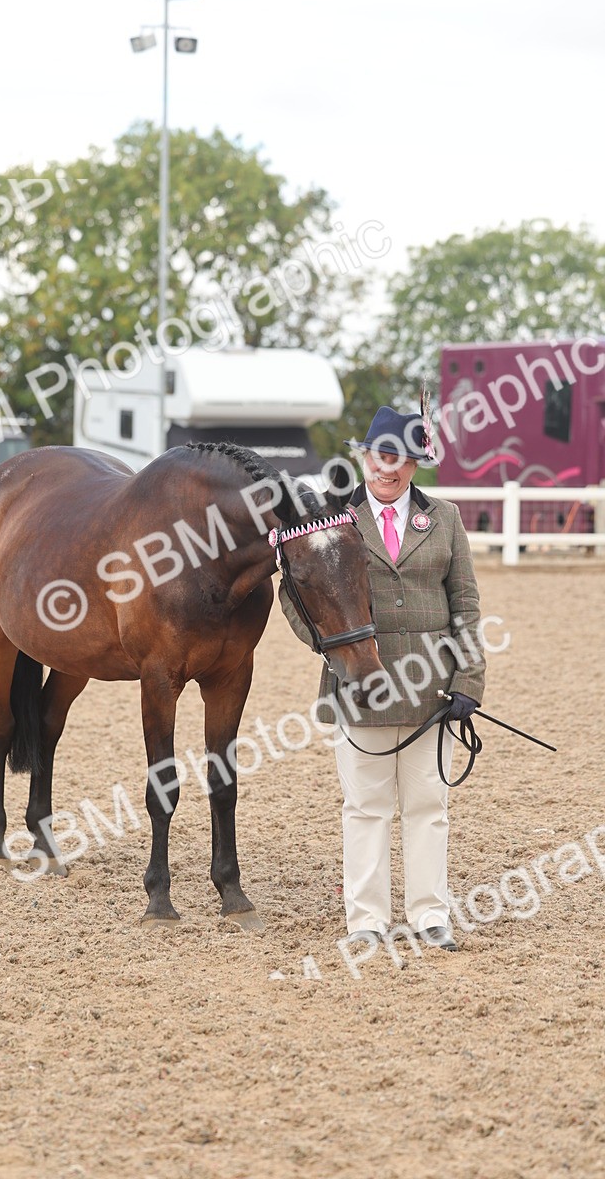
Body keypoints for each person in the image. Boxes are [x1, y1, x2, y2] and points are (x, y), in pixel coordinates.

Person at [280, 405, 486, 951]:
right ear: (364, 459)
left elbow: (465, 604)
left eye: (399, 459)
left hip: (432, 690)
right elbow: (293, 591)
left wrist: (469, 681)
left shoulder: (445, 518)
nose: (386, 469)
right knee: (365, 808)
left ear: (414, 465)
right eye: (378, 456)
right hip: (360, 687)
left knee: (428, 807)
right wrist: (330, 651)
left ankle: (430, 915)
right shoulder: (332, 518)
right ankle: (366, 920)